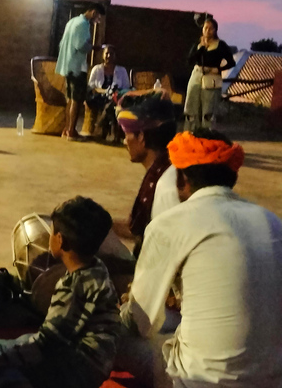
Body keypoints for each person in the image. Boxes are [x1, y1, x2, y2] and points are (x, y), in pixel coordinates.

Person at [120, 129, 282, 387]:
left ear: (182, 178)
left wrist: (123, 309)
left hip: (199, 380)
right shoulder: (272, 222)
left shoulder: (170, 224)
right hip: (271, 380)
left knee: (110, 335)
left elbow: (141, 323)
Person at [0, 197, 120, 388]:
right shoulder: (98, 268)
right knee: (21, 342)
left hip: (76, 371)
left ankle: (15, 383)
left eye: (52, 230)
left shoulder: (73, 285)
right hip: (96, 364)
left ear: (60, 240)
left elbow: (45, 345)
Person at [114, 90, 180, 257]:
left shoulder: (163, 182)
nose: (124, 141)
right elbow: (137, 228)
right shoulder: (168, 167)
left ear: (141, 137)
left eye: (127, 134)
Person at [56, 4, 105, 140]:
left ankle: (66, 129)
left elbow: (63, 43)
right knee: (77, 100)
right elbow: (81, 46)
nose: (97, 21)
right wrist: (94, 47)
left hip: (67, 65)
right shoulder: (83, 25)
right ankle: (72, 131)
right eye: (98, 18)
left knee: (70, 99)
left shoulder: (72, 22)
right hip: (77, 67)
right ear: (94, 12)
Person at [184, 18, 236, 131]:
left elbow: (231, 62)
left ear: (215, 30)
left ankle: (207, 134)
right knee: (192, 106)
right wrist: (202, 47)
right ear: (202, 29)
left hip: (211, 78)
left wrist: (219, 69)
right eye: (206, 28)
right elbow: (189, 60)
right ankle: (191, 133)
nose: (208, 31)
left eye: (211, 28)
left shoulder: (220, 45)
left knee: (208, 109)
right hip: (197, 75)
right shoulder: (198, 44)